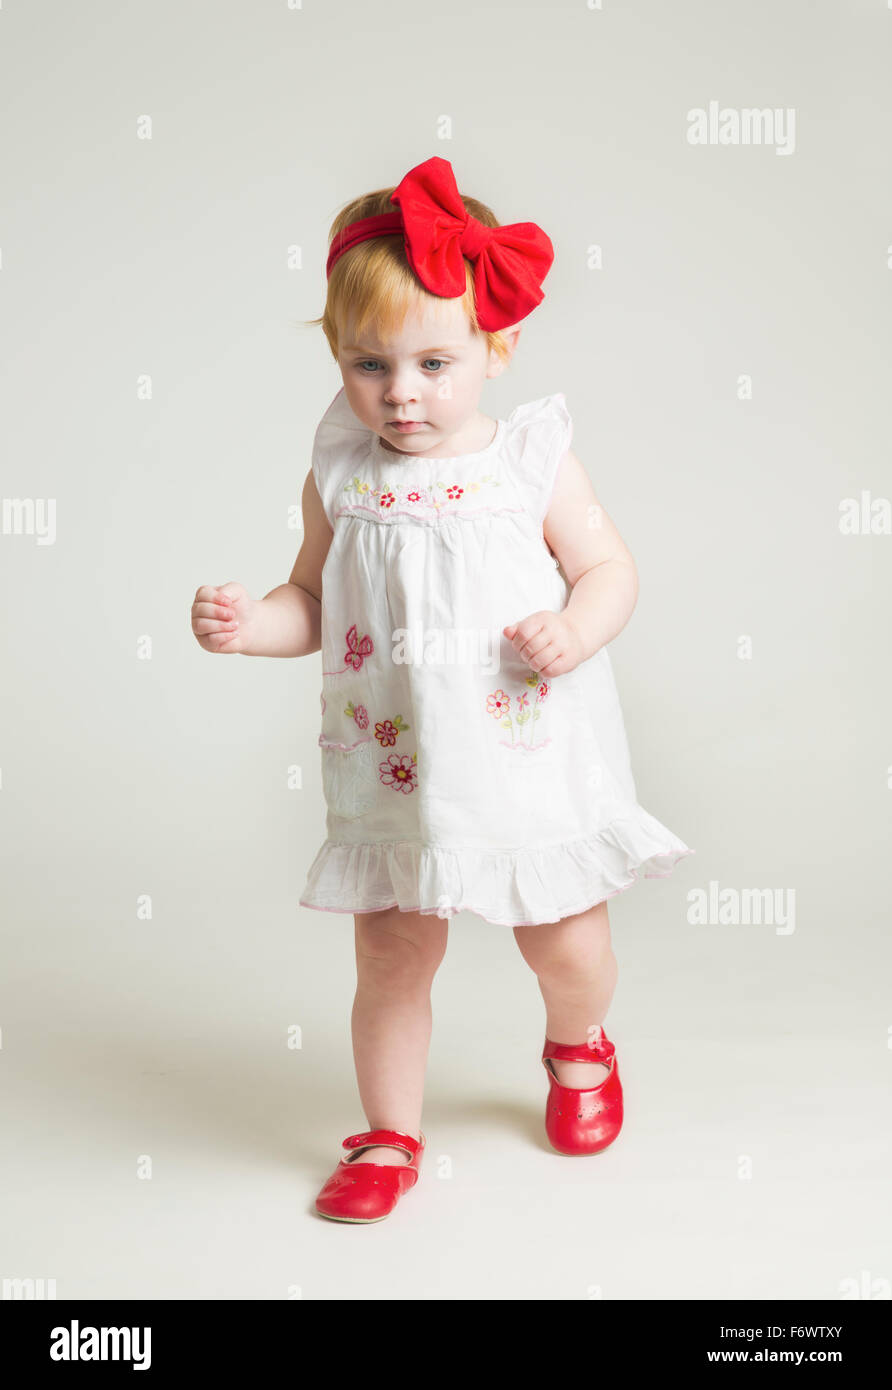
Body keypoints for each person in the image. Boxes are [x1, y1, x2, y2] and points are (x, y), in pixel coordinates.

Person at [190, 155, 694, 1225]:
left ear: (494, 346)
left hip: (524, 752)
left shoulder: (529, 460)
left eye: (431, 360)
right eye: (370, 364)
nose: (401, 391)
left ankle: (577, 1044)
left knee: (566, 943)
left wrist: (575, 624)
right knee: (390, 953)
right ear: (337, 358)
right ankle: (386, 1132)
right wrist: (252, 628)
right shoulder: (342, 469)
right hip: (398, 765)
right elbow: (313, 601)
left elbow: (610, 569)